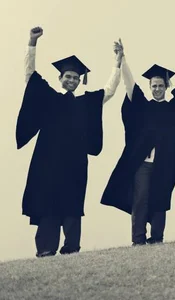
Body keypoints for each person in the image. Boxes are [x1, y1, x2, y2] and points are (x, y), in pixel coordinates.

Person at [17, 27, 122, 257]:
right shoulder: (49, 98)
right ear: (60, 78)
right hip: (48, 162)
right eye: (68, 77)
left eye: (75, 77)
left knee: (73, 204)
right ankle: (45, 249)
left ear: (79, 80)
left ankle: (72, 247)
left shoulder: (85, 103)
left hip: (75, 164)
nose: (72, 80)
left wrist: (117, 62)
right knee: (48, 203)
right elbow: (29, 76)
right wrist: (32, 43)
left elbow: (109, 91)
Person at [100, 40, 175, 246]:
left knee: (160, 200)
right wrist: (122, 59)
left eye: (160, 85)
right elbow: (130, 85)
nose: (157, 89)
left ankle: (157, 238)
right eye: (153, 86)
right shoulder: (142, 107)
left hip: (165, 164)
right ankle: (138, 239)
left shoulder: (174, 109)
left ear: (166, 86)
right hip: (143, 163)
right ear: (149, 86)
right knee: (140, 199)